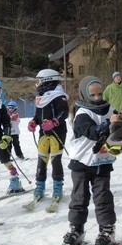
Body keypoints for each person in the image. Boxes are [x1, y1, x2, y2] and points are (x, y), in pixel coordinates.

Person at [62, 76, 122, 245]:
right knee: (79, 198)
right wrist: (109, 123)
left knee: (103, 198)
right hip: (81, 162)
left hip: (102, 163)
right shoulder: (82, 113)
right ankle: (76, 229)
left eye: (99, 94)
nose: (97, 98)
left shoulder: (109, 108)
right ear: (84, 94)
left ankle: (107, 230)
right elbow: (92, 132)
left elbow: (119, 128)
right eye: (92, 95)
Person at [27, 69, 69, 203]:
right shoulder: (41, 97)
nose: (37, 84)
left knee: (55, 159)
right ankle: (40, 185)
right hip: (43, 133)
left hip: (57, 132)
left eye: (39, 81)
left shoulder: (58, 96)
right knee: (42, 159)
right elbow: (38, 115)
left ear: (46, 81)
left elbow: (64, 113)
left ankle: (57, 186)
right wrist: (34, 122)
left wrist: (54, 122)